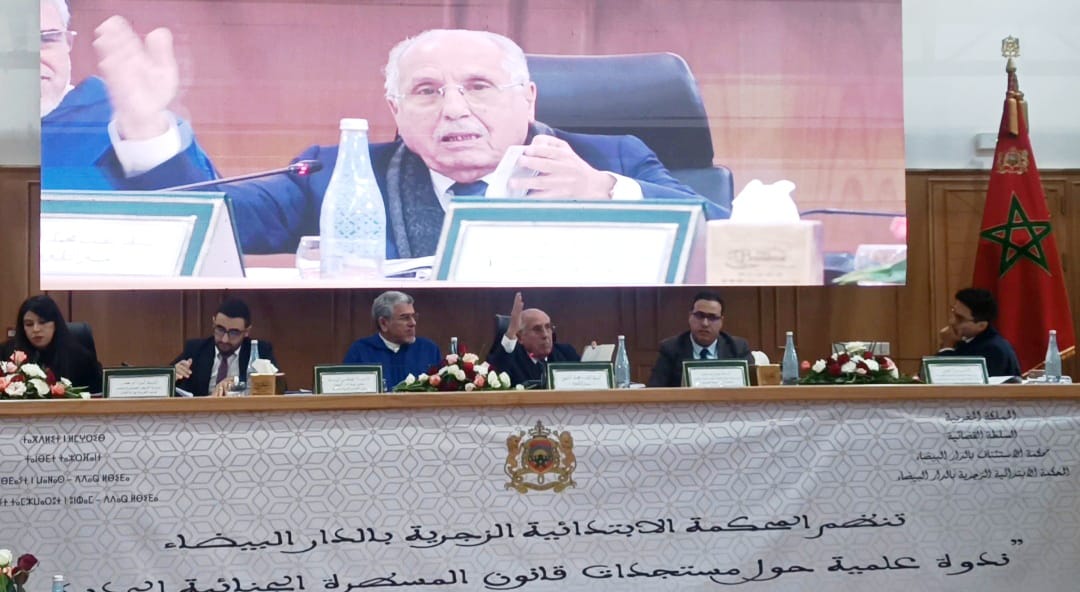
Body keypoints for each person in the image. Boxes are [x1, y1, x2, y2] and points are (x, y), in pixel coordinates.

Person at [109, 28, 712, 256]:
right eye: (427, 91)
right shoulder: (339, 175)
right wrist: (149, 128)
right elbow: (211, 219)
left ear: (527, 100)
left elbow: (726, 232)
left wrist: (605, 192)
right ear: (396, 110)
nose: (454, 109)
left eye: (478, 87)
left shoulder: (611, 160)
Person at [40, 0, 216, 190]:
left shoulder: (128, 123)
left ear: (68, 43)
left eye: (47, 40)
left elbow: (206, 204)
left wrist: (147, 139)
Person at [171, 298, 278, 397]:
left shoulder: (260, 351)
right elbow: (163, 380)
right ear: (213, 323)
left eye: (233, 332)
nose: (224, 339)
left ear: (247, 331)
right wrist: (172, 375)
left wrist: (237, 383)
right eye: (220, 329)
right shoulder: (196, 349)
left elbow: (279, 387)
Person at [647, 291, 754, 388]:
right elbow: (655, 390)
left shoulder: (738, 347)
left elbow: (754, 388)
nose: (705, 323)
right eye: (699, 316)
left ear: (721, 321)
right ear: (690, 317)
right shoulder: (671, 348)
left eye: (712, 317)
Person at [1, 295, 102, 393]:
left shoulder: (80, 357)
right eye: (29, 324)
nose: (36, 329)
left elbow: (98, 396)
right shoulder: (6, 353)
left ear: (55, 324)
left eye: (42, 322)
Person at [343, 291, 442, 391]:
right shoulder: (360, 352)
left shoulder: (428, 349)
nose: (413, 323)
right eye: (405, 318)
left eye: (413, 316)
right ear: (383, 323)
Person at [489, 292, 580, 387]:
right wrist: (511, 332)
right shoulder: (509, 358)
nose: (545, 335)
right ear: (520, 337)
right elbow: (495, 377)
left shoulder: (566, 354)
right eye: (537, 329)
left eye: (548, 327)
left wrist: (590, 356)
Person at [937, 288, 1021, 377]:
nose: (952, 321)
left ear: (981, 325)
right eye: (953, 312)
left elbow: (947, 378)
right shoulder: (966, 340)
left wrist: (947, 347)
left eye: (960, 318)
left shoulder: (992, 350)